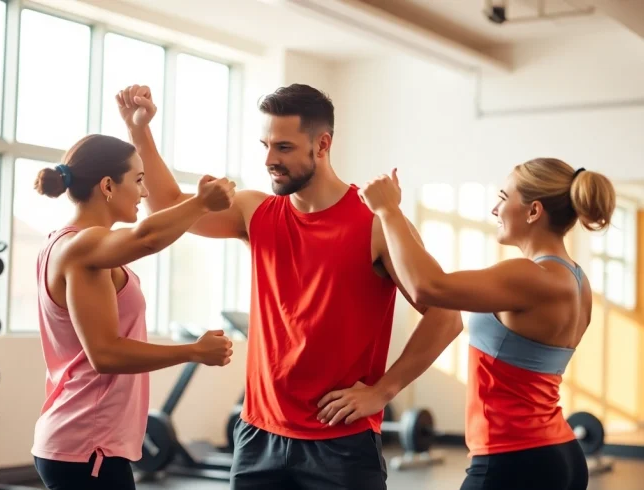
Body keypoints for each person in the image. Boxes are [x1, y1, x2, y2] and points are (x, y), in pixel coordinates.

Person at [115, 83, 463, 489]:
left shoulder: (375, 224)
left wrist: (383, 391)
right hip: (258, 436)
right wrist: (139, 131)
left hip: (341, 443)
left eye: (283, 147)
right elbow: (169, 207)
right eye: (265, 145)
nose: (268, 160)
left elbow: (446, 317)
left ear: (322, 145)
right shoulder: (255, 211)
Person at [356, 160, 616, 490]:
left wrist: (388, 211)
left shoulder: (530, 275)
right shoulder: (578, 281)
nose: (495, 209)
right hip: (559, 454)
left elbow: (429, 287)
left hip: (514, 462)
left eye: (503, 197)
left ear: (534, 211)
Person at [30, 133, 236, 490]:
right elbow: (106, 353)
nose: (143, 192)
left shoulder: (71, 244)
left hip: (81, 443)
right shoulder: (83, 246)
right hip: (87, 446)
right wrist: (193, 351)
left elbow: (142, 238)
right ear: (108, 186)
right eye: (138, 180)